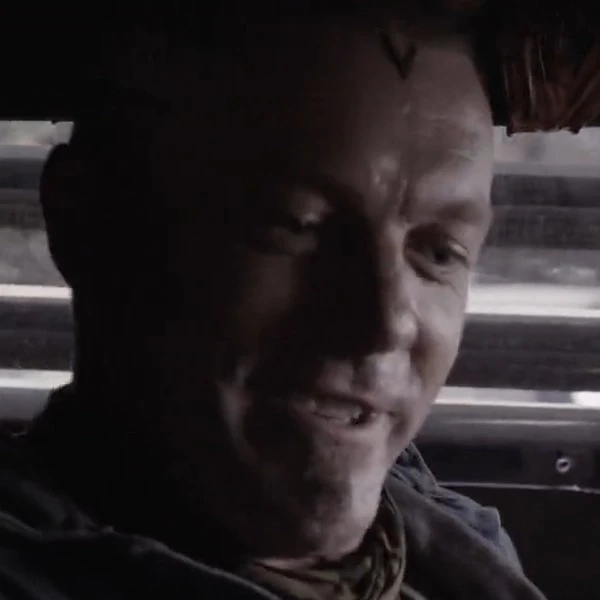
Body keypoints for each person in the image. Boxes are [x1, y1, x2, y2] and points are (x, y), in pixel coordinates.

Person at [0, 8, 547, 600]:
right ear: (91, 223)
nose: (385, 322)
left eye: (439, 253)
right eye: (296, 226)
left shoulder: (465, 550)